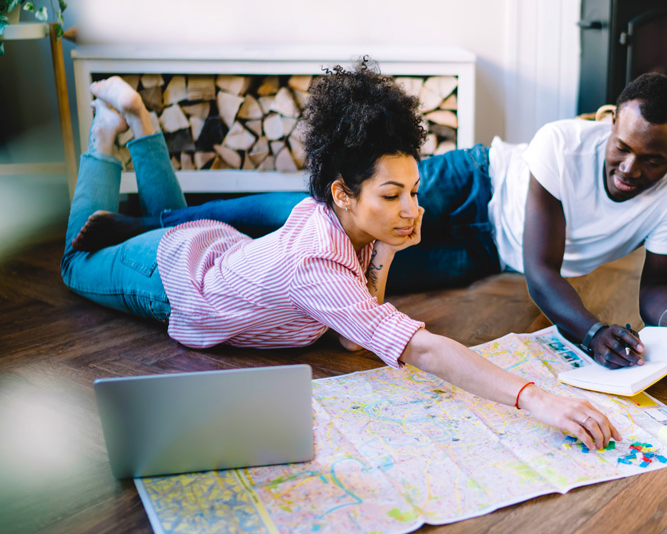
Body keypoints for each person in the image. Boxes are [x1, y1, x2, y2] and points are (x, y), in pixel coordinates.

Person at [62, 65, 620, 450]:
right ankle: (104, 139)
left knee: (172, 216)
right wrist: (537, 400)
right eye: (392, 196)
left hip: (212, 246)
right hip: (167, 278)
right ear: (343, 193)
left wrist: (388, 248)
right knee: (73, 262)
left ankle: (141, 121)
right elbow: (420, 347)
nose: (411, 209)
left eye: (413, 191)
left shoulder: (352, 225)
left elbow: (356, 333)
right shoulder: (318, 262)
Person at [71, 72, 667, 372]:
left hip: (489, 252)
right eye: (621, 148)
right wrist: (591, 334)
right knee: (321, 215)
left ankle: (145, 177)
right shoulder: (561, 143)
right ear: (608, 124)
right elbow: (544, 272)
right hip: (478, 184)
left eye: (652, 160)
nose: (629, 168)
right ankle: (149, 224)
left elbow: (658, 286)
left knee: (347, 264)